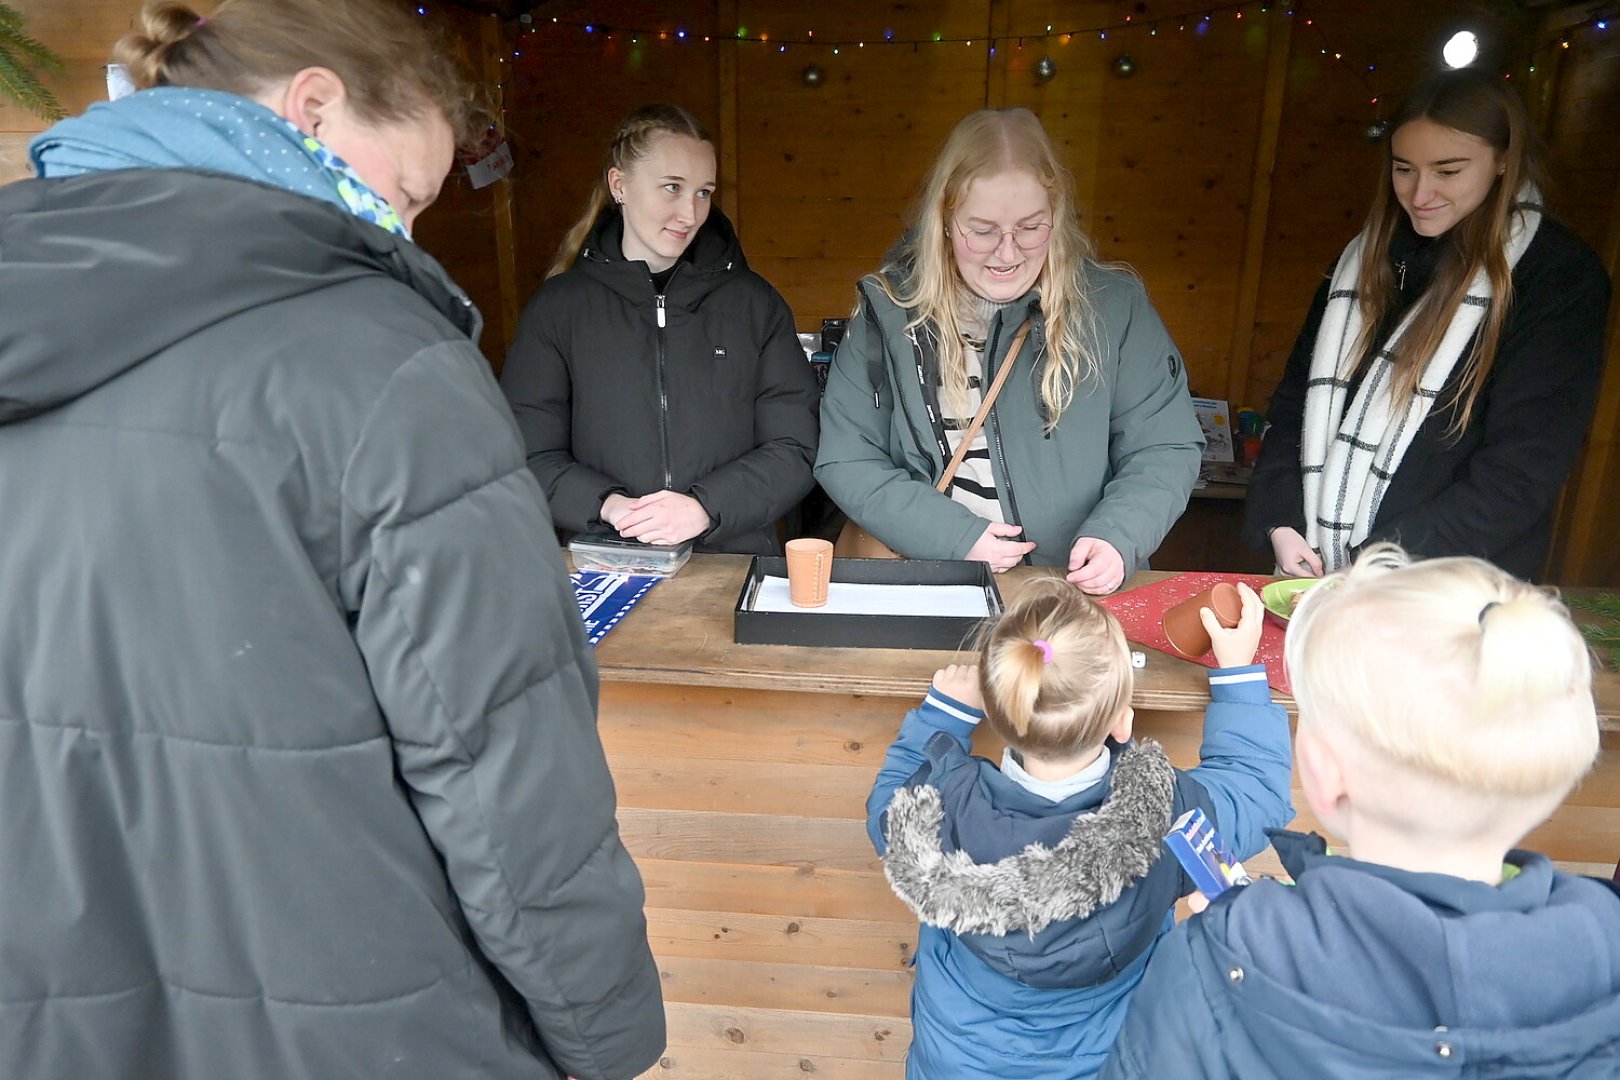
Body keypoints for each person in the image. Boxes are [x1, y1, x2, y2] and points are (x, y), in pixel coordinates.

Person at [0, 2, 663, 1078]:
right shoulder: (385, 361)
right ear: (311, 109)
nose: (402, 232)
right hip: (363, 1020)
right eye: (405, 196)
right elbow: (509, 779)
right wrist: (610, 1036)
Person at [1102, 544, 1620, 1077]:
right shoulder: (1605, 949)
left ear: (1323, 776)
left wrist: (1230, 943)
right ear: (1550, 779)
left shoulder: (1213, 957)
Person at [867, 578, 1293, 1078]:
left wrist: (946, 712)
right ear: (1121, 722)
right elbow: (1256, 792)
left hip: (961, 1063)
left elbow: (888, 807)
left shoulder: (936, 809)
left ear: (998, 709)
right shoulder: (1162, 811)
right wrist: (1239, 674)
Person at [1245, 68, 1611, 581]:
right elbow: (1295, 405)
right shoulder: (1364, 258)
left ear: (1504, 159)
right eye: (1403, 169)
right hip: (1320, 566)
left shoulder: (1557, 276)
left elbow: (1521, 472)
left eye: (1448, 170)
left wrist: (1380, 559)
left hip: (1456, 584)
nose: (1420, 194)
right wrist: (1280, 522)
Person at [815, 108, 1203, 591]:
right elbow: (848, 457)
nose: (1007, 253)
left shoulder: (1116, 309)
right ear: (945, 221)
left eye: (1030, 227)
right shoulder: (889, 310)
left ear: (1056, 215)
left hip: (1063, 591)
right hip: (929, 582)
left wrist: (1118, 536)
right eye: (982, 230)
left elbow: (1164, 445)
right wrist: (954, 536)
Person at [500, 103, 819, 555]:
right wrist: (608, 506)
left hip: (732, 559)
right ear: (620, 185)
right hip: (603, 561)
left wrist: (705, 507)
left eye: (703, 192)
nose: (689, 213)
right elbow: (524, 451)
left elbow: (796, 446)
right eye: (672, 187)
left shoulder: (755, 305)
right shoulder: (559, 309)